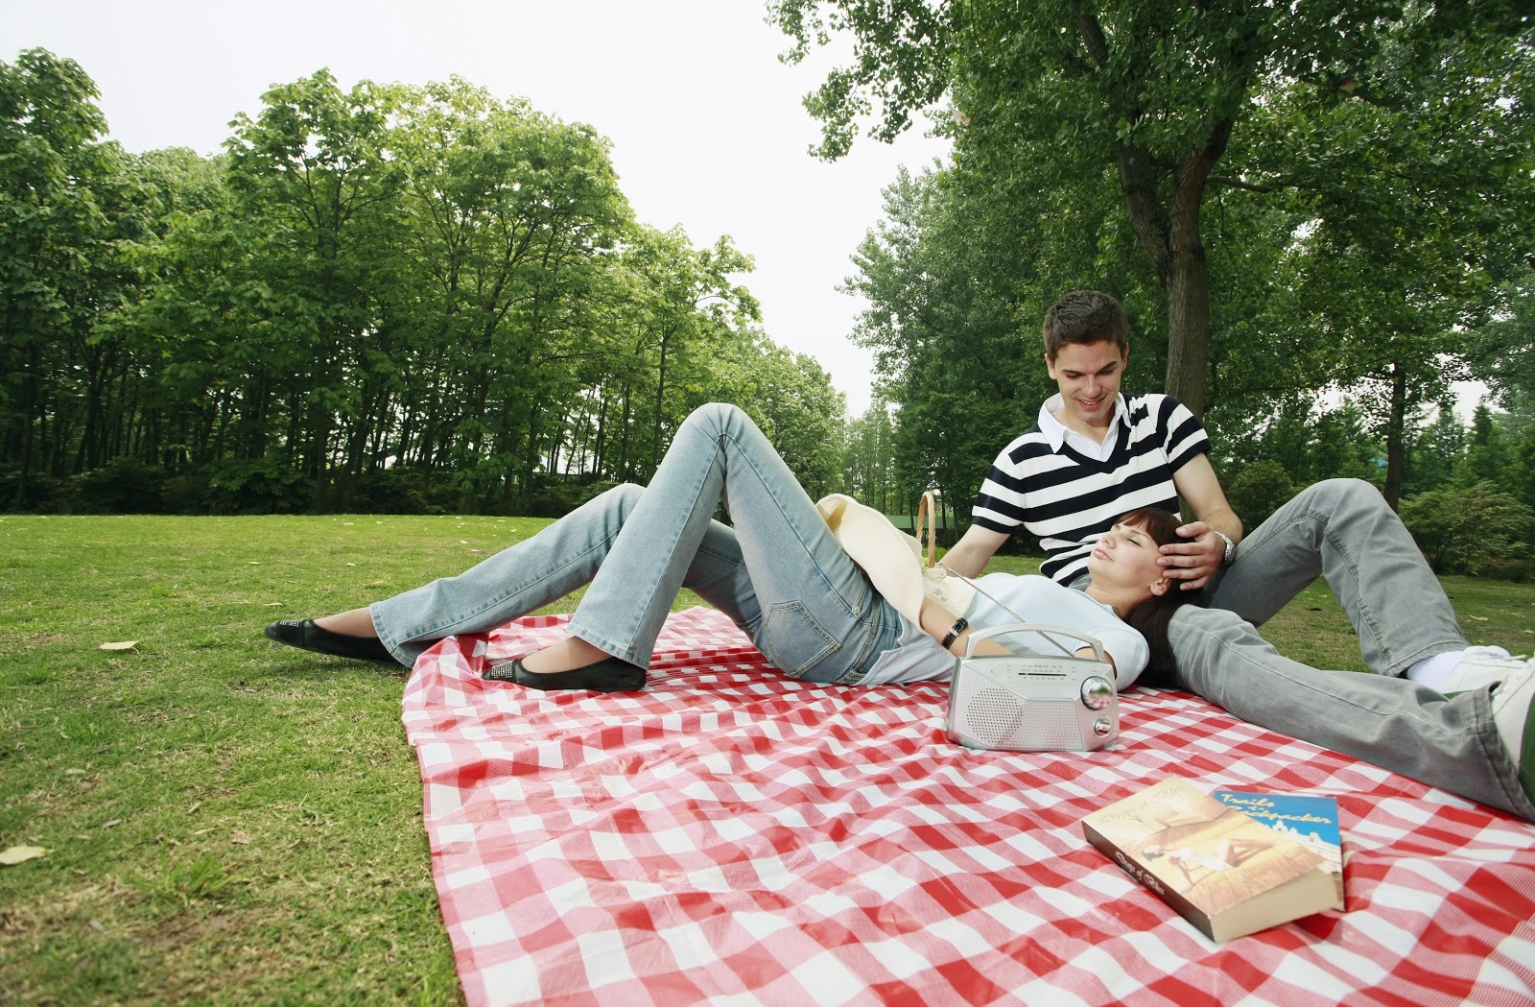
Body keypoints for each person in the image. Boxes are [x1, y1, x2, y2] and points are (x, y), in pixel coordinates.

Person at [941, 289, 1535, 821]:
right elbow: (970, 552)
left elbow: (1220, 513)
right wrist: (905, 595)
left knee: (1342, 499)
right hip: (1117, 618)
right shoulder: (1020, 462)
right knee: (1215, 635)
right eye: (1074, 374)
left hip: (1197, 581)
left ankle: (1442, 669)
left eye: (1107, 370)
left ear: (1125, 356)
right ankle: (1466, 736)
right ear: (1050, 364)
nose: (1092, 388)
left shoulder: (1163, 419)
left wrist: (1218, 543)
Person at [265, 403, 1187, 696]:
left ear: (1161, 577)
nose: (1112, 536)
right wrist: (900, 558)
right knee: (630, 503)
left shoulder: (1126, 641)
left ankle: (605, 647)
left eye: (1135, 539)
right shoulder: (1041, 582)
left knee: (718, 426)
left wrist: (934, 612)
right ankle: (404, 625)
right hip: (848, 608)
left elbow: (1061, 687)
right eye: (1113, 526)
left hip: (855, 637)